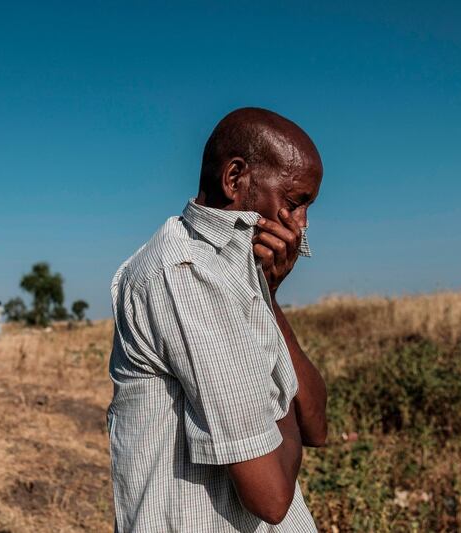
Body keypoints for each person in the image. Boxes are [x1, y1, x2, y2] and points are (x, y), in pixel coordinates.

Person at [107, 107, 328, 532]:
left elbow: (316, 426)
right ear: (234, 179)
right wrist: (279, 404)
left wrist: (269, 296)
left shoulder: (235, 275)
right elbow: (272, 496)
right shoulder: (188, 273)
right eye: (294, 202)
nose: (300, 226)